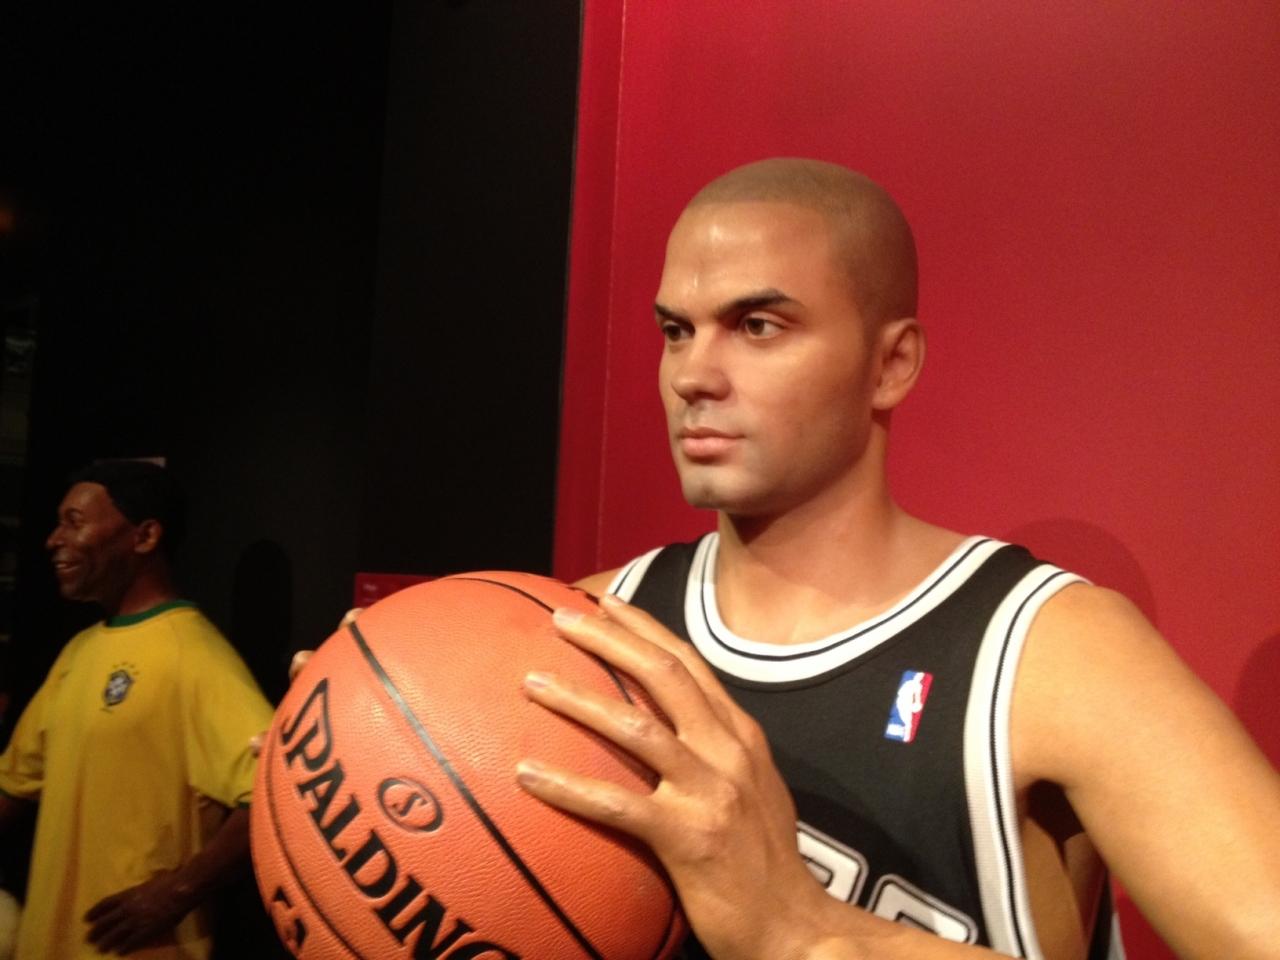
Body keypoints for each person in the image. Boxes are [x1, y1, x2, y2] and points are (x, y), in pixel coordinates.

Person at [507, 159, 1280, 959]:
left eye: (758, 327)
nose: (694, 376)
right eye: (677, 331)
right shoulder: (588, 633)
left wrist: (803, 929)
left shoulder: (1049, 652)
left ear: (891, 365)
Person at [0, 461, 275, 959]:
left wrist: (176, 892)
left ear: (144, 536)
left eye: (74, 522)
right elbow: (14, 782)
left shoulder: (193, 654)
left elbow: (273, 790)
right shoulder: (80, 651)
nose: (53, 540)